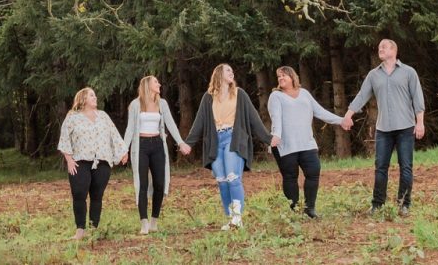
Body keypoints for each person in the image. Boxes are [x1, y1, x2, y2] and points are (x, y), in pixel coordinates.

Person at [344, 38, 426, 217]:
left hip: (405, 127)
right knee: (380, 167)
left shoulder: (408, 72)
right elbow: (362, 96)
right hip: (383, 129)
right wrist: (348, 114)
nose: (379, 49)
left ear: (393, 50)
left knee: (406, 167)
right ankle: (377, 204)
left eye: (384, 47)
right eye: (379, 47)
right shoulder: (374, 75)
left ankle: (404, 204)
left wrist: (420, 123)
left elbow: (418, 99)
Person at [184, 63, 272, 230]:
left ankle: (238, 218)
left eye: (232, 70)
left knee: (233, 177)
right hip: (215, 141)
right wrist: (188, 143)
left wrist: (268, 138)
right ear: (218, 74)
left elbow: (254, 118)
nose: (232, 73)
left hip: (234, 138)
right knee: (222, 181)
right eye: (228, 70)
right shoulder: (208, 97)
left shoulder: (240, 94)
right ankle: (231, 218)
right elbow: (199, 122)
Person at [267, 65, 348, 218]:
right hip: (285, 144)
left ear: (293, 77)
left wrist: (341, 121)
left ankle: (309, 209)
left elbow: (320, 111)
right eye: (278, 77)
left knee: (313, 172)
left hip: (306, 143)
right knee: (290, 177)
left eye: (284, 75)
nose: (281, 78)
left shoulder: (304, 93)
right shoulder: (276, 96)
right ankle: (295, 210)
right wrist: (276, 135)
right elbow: (275, 116)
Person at [121, 74, 192, 234]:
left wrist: (180, 142)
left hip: (158, 146)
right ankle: (144, 222)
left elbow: (171, 124)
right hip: (141, 146)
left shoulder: (162, 103)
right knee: (142, 184)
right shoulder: (135, 104)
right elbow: (130, 129)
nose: (159, 84)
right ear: (147, 85)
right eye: (156, 82)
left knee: (160, 183)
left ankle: (154, 220)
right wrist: (124, 149)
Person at [57, 86, 127, 239]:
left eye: (95, 95)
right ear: (83, 99)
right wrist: (69, 160)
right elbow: (64, 139)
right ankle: (80, 230)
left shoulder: (103, 116)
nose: (95, 98)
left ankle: (93, 230)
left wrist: (123, 151)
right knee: (79, 194)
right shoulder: (72, 117)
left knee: (97, 196)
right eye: (92, 95)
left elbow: (114, 133)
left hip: (102, 161)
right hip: (80, 161)